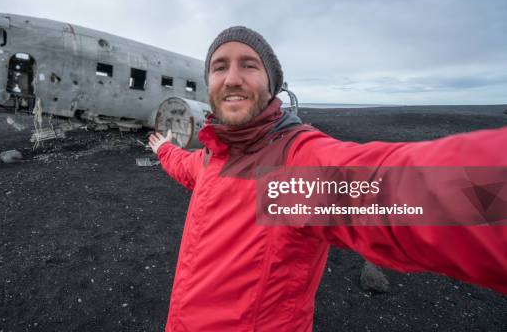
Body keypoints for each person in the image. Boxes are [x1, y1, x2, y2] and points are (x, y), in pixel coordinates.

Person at [148, 26, 507, 331]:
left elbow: (408, 191)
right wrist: (164, 148)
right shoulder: (213, 156)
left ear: (272, 84)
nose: (232, 78)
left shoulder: (288, 171)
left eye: (249, 65)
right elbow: (186, 165)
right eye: (219, 67)